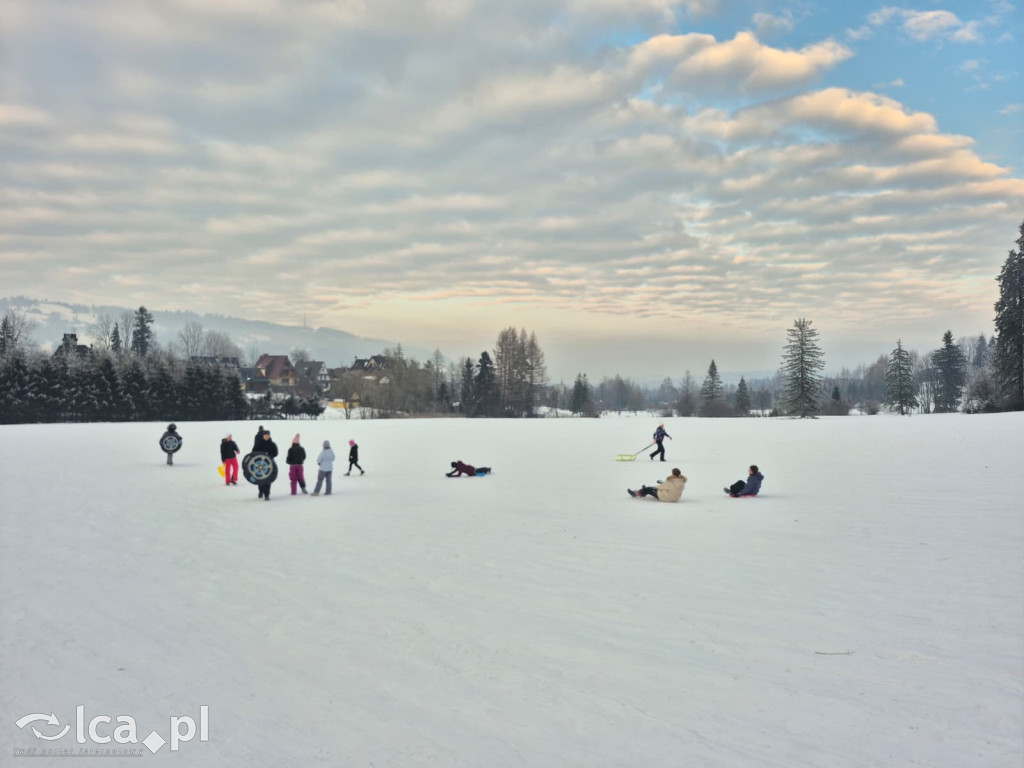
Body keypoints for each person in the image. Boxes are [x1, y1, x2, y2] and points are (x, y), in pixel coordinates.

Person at [255, 430, 279, 501]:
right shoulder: (258, 444)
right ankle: (261, 491)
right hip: (259, 464)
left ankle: (267, 494)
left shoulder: (272, 444)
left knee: (268, 479)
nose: (266, 436)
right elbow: (253, 452)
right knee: (260, 479)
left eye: (267, 435)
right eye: (265, 435)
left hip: (269, 464)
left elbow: (276, 452)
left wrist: (270, 456)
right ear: (263, 436)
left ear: (269, 436)